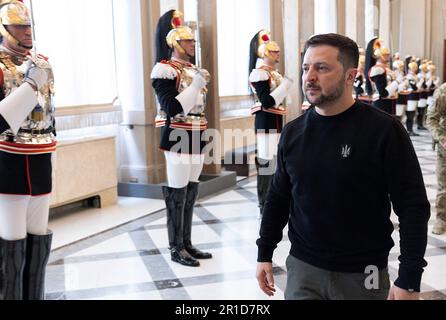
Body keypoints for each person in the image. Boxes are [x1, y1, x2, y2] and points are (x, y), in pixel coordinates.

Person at [256, 33, 430, 300]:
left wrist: (409, 277)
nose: (309, 77)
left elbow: (413, 206)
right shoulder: (293, 133)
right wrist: (264, 252)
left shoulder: (384, 131)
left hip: (364, 272)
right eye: (306, 68)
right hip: (304, 269)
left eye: (321, 68)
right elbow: (278, 198)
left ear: (351, 76)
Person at [0, 0, 55, 300]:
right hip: (8, 163)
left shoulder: (41, 64)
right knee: (12, 247)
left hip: (41, 160)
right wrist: (31, 85)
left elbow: (49, 119)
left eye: (28, 25)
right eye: (19, 25)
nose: (26, 31)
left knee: (38, 242)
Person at [151, 10, 212, 267]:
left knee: (191, 189)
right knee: (177, 191)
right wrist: (196, 86)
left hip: (197, 130)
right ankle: (175, 247)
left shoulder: (191, 69)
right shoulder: (164, 69)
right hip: (177, 131)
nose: (192, 44)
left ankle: (186, 243)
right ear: (175, 42)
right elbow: (173, 107)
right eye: (187, 41)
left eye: (191, 41)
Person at [248, 30, 292, 215]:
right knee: (266, 161)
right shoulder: (260, 73)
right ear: (266, 53)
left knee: (276, 161)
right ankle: (264, 203)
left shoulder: (275, 73)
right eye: (275, 51)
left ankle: (274, 200)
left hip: (277, 118)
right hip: (265, 120)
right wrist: (285, 85)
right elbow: (267, 101)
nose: (278, 54)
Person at [426, 82, 446, 235]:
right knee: (444, 186)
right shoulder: (443, 91)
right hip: (445, 149)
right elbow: (431, 119)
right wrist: (443, 138)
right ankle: (442, 219)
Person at [365, 37, 399, 116]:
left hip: (390, 101)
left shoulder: (386, 69)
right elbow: (382, 92)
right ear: (380, 56)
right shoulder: (378, 69)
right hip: (381, 103)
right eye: (386, 55)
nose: (388, 56)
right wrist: (397, 82)